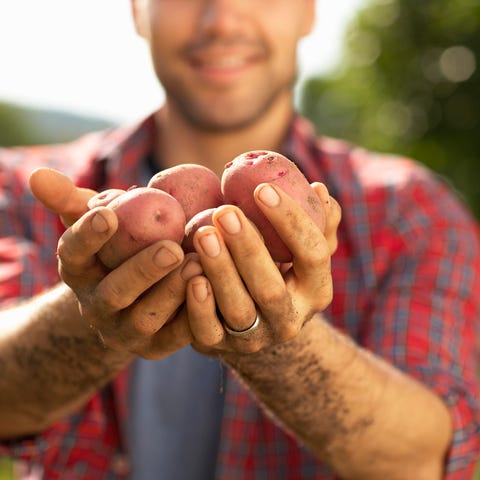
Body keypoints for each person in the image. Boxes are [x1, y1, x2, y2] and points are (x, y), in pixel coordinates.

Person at [0, 0, 479, 478]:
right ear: (138, 12)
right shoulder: (25, 192)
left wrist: (281, 346)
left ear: (309, 11)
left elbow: (423, 458)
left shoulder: (412, 214)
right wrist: (89, 310)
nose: (224, 19)